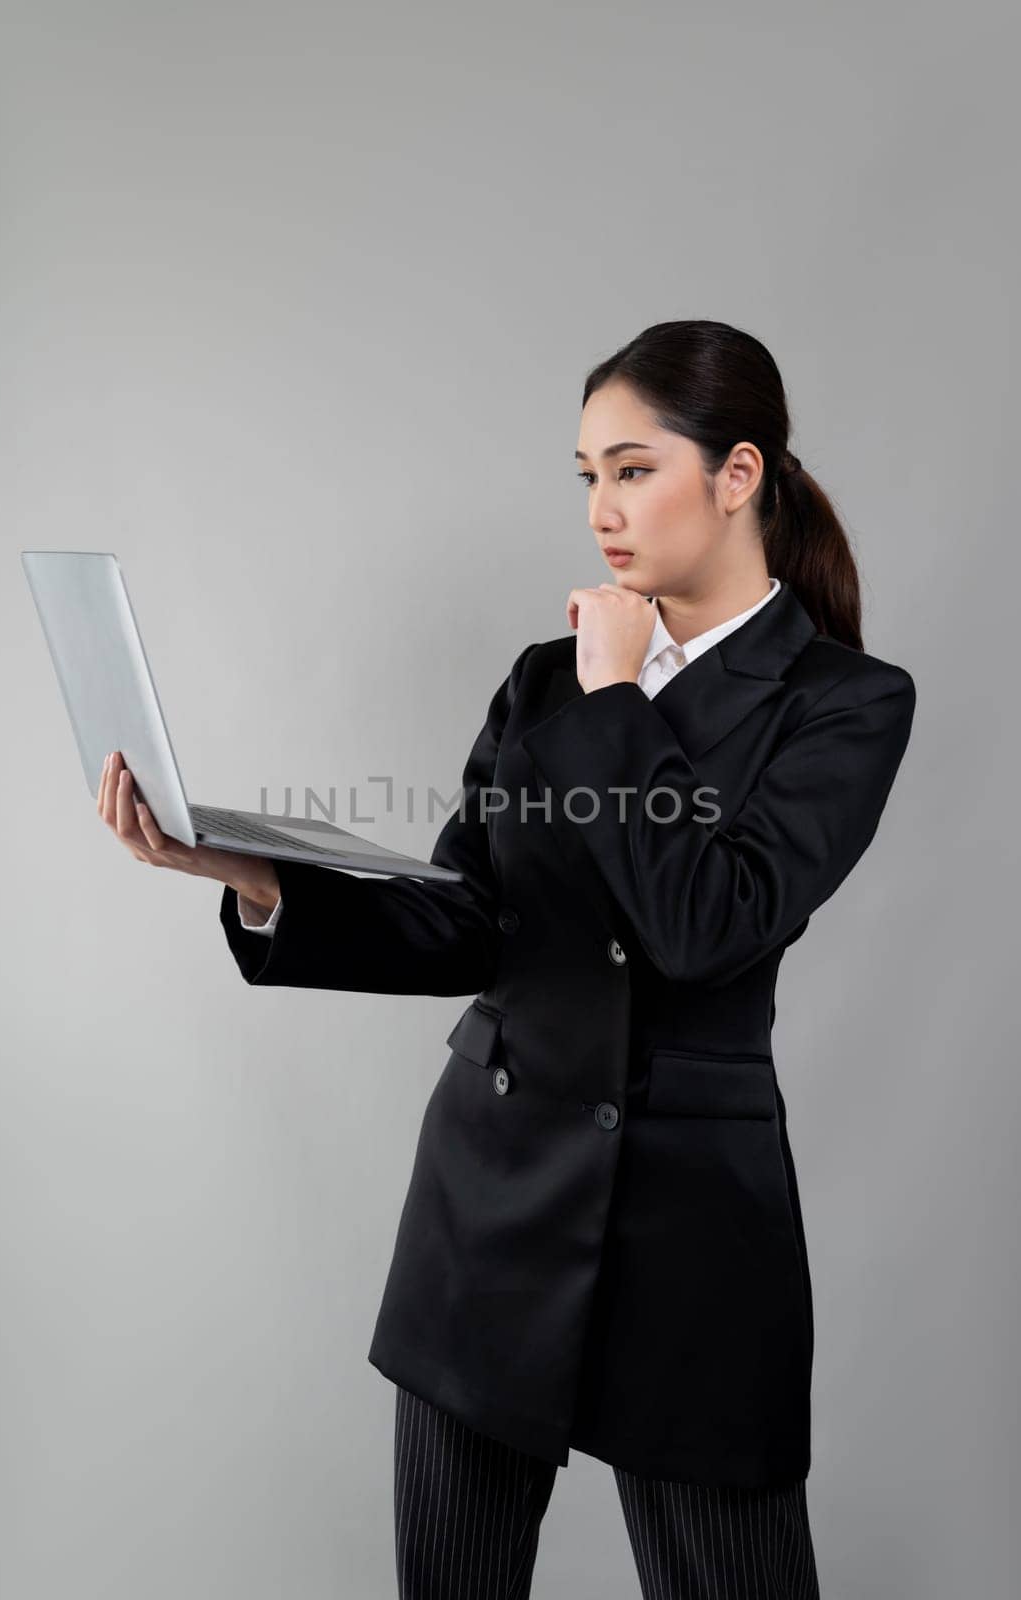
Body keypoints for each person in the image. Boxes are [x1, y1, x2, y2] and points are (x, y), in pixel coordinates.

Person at [100, 319, 916, 1598]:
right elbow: (468, 921)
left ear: (740, 474)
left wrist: (615, 703)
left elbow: (709, 924)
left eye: (634, 468)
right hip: (486, 1206)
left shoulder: (846, 703)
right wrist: (249, 876)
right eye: (587, 473)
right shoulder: (545, 679)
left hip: (692, 1235)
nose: (603, 507)